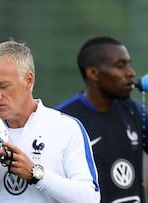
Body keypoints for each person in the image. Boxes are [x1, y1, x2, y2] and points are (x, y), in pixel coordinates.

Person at [0, 39, 101, 202]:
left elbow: (90, 198)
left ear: (28, 80)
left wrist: (36, 174)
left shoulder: (65, 128)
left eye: (3, 86)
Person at [56, 36, 148, 203]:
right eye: (121, 66)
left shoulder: (134, 111)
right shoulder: (63, 120)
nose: (131, 73)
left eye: (129, 64)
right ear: (93, 73)